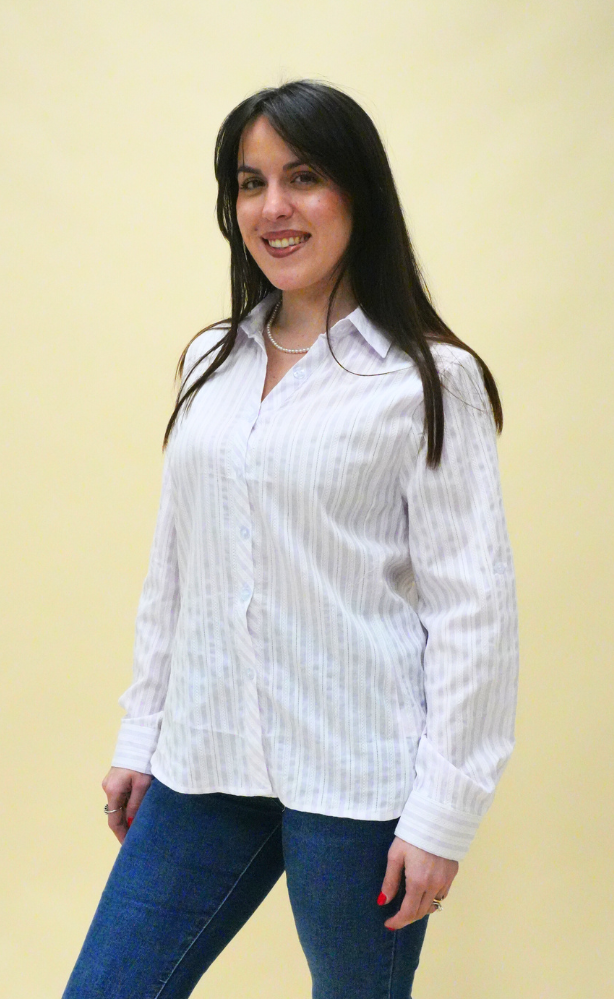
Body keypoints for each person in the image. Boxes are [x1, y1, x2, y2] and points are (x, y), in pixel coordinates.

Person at [62, 79, 519, 999]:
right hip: (206, 755)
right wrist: (141, 734)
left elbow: (473, 612)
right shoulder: (211, 361)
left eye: (302, 177)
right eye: (250, 183)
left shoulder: (429, 380)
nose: (272, 207)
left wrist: (442, 813)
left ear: (358, 193)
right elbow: (176, 566)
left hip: (359, 775)